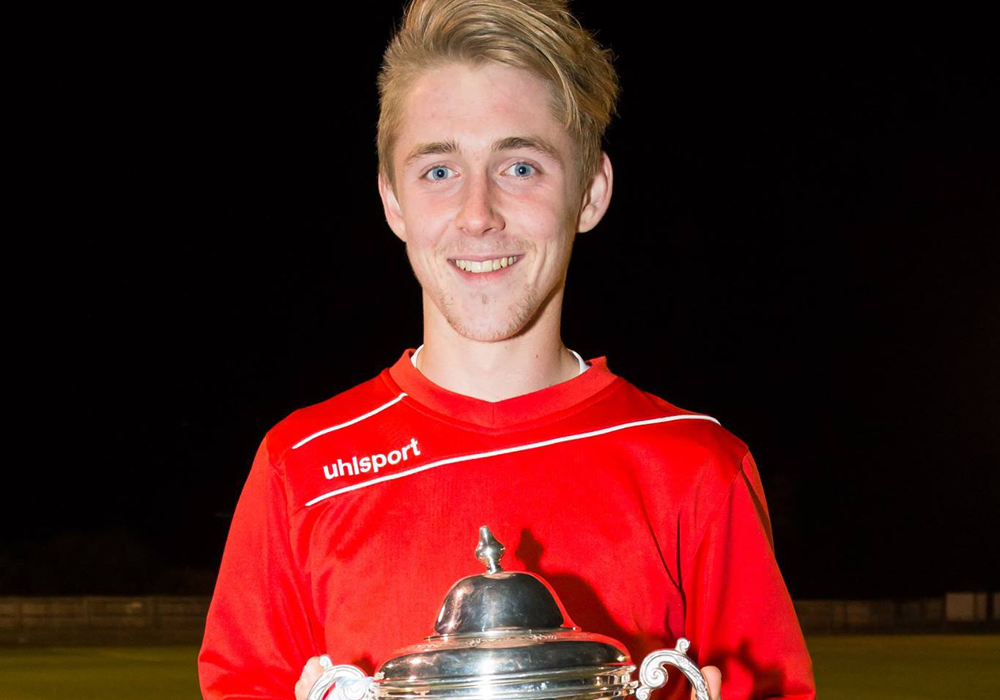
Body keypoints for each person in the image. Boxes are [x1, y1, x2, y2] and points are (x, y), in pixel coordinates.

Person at [198, 1, 816, 699]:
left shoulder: (699, 470)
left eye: (520, 167)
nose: (477, 214)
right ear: (392, 201)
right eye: (439, 171)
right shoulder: (299, 467)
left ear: (591, 192)